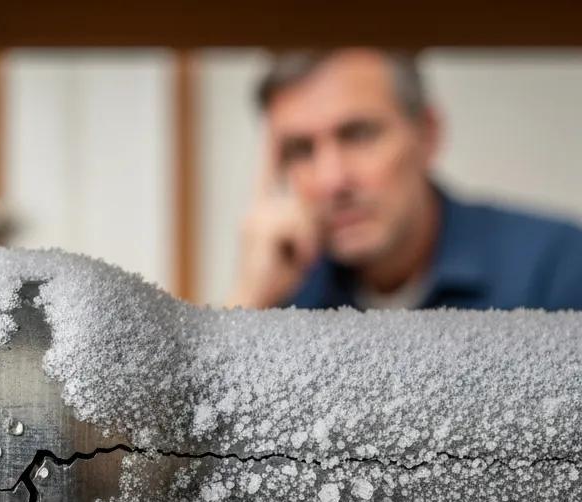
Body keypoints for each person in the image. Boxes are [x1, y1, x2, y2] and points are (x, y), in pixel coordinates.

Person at [231, 49, 582, 311]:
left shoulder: (557, 269)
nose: (332, 180)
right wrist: (251, 299)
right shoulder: (292, 293)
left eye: (358, 135)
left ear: (427, 134)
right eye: (301, 150)